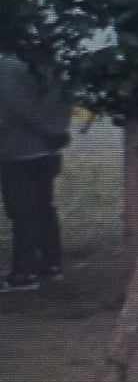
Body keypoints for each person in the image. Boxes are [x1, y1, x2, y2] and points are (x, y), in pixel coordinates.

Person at [0, 54, 72, 292]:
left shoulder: (6, 68)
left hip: (18, 151)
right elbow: (63, 101)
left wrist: (47, 130)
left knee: (22, 212)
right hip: (47, 150)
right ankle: (51, 265)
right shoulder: (50, 65)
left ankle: (24, 273)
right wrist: (57, 131)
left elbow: (17, 107)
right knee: (43, 208)